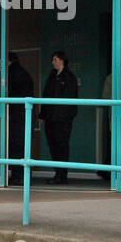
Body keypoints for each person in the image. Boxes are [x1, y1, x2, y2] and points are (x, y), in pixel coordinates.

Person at [39, 51, 79, 184]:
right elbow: (46, 95)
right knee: (53, 146)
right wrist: (42, 114)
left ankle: (62, 175)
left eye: (55, 60)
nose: (53, 62)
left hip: (62, 119)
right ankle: (58, 173)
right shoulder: (52, 75)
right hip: (50, 118)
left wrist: (64, 116)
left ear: (62, 61)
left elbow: (71, 99)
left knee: (61, 146)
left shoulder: (69, 77)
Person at [6, 52, 34, 186]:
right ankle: (25, 174)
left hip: (16, 116)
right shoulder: (24, 73)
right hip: (25, 115)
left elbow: (10, 94)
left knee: (16, 146)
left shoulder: (11, 74)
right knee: (23, 146)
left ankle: (17, 176)